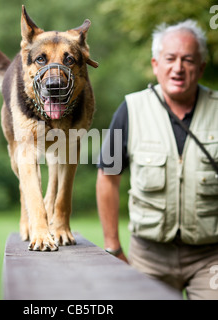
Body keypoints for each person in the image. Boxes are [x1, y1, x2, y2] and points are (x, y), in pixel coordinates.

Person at [96, 19, 218, 300]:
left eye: (188, 60)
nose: (178, 67)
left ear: (200, 67)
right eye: (170, 58)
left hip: (211, 257)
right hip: (148, 257)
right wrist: (113, 246)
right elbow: (108, 177)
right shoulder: (129, 110)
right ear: (155, 64)